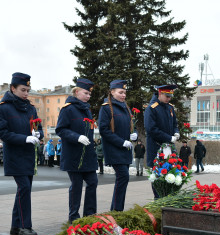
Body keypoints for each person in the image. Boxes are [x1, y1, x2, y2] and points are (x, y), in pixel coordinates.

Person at [0, 72, 43, 235]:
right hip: (15, 155)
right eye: (23, 90)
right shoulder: (4, 107)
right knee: (24, 188)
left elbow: (39, 127)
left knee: (24, 189)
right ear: (13, 88)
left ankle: (16, 225)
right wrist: (24, 138)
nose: (26, 93)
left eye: (28, 90)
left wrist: (38, 134)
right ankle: (25, 226)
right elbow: (3, 132)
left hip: (29, 155)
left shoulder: (30, 108)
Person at [55, 78, 98, 222]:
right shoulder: (68, 109)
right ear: (77, 91)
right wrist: (76, 137)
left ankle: (89, 214)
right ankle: (73, 216)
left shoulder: (87, 109)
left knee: (93, 182)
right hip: (74, 155)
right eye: (86, 93)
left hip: (88, 155)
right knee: (77, 186)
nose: (88, 96)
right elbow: (60, 129)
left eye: (90, 94)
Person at [99, 79, 137, 212]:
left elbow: (131, 125)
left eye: (125, 92)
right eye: (121, 92)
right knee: (123, 177)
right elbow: (104, 130)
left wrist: (134, 134)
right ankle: (117, 211)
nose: (123, 95)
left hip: (125, 150)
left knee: (122, 179)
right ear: (112, 92)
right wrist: (121, 142)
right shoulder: (106, 108)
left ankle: (115, 209)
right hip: (114, 149)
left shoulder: (125, 107)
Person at [144, 84, 179, 196]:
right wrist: (169, 138)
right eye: (167, 96)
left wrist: (176, 131)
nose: (169, 98)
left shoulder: (170, 107)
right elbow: (152, 129)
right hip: (156, 147)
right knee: (158, 176)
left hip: (169, 148)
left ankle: (167, 199)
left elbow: (175, 123)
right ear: (160, 93)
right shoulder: (151, 108)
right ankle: (158, 200)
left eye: (170, 96)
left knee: (170, 174)